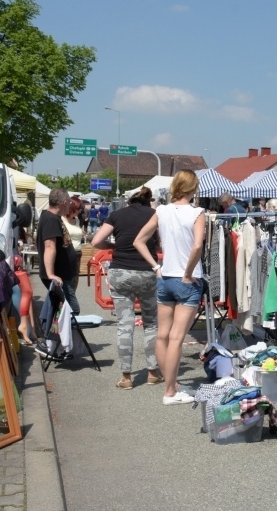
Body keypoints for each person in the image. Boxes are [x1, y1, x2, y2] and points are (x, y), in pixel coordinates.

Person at [134, 170, 205, 405]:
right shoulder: (197, 213)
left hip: (164, 277)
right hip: (188, 279)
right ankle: (170, 392)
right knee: (176, 338)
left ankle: (171, 384)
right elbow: (197, 246)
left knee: (162, 335)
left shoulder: (161, 211)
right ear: (193, 188)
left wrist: (156, 266)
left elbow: (139, 240)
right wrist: (187, 272)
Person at [92, 187, 162, 390]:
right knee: (151, 324)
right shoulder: (155, 215)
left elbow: (96, 241)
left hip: (120, 272)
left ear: (129, 201)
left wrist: (113, 247)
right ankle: (152, 373)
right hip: (146, 273)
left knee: (125, 325)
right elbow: (159, 246)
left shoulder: (116, 215)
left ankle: (127, 377)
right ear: (148, 202)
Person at [35, 188, 79, 313]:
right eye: (70, 202)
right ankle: (58, 331)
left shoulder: (54, 217)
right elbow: (49, 246)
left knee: (62, 309)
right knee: (72, 310)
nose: (71, 204)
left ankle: (53, 330)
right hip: (59, 275)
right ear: (64, 202)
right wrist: (51, 274)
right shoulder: (51, 219)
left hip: (62, 274)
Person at [62, 196, 84, 293]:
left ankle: (69, 305)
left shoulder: (77, 220)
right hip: (66, 254)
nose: (79, 212)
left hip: (78, 253)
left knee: (74, 282)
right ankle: (63, 305)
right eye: (77, 209)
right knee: (65, 283)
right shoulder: (61, 220)